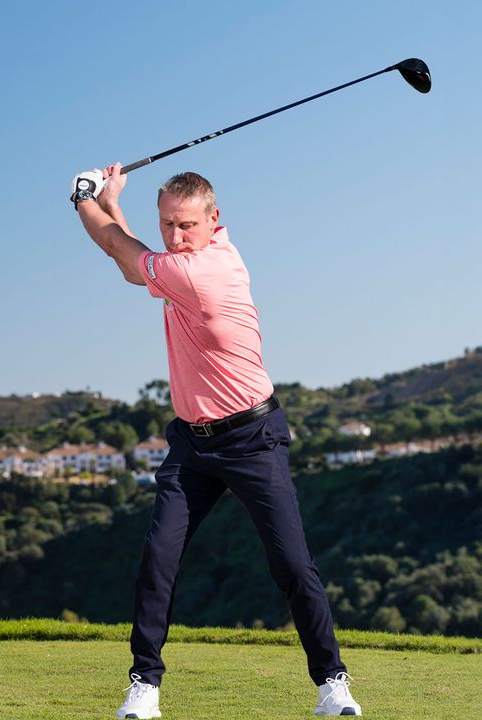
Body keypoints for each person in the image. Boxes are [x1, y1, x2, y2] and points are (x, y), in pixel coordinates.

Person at [72, 164, 361, 718]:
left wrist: (82, 198)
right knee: (159, 558)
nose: (176, 237)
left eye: (185, 226)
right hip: (192, 445)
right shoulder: (205, 250)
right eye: (166, 225)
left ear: (213, 221)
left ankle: (332, 683)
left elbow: (116, 246)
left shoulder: (202, 273)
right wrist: (114, 199)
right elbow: (134, 257)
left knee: (292, 564)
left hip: (252, 436)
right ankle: (144, 686)